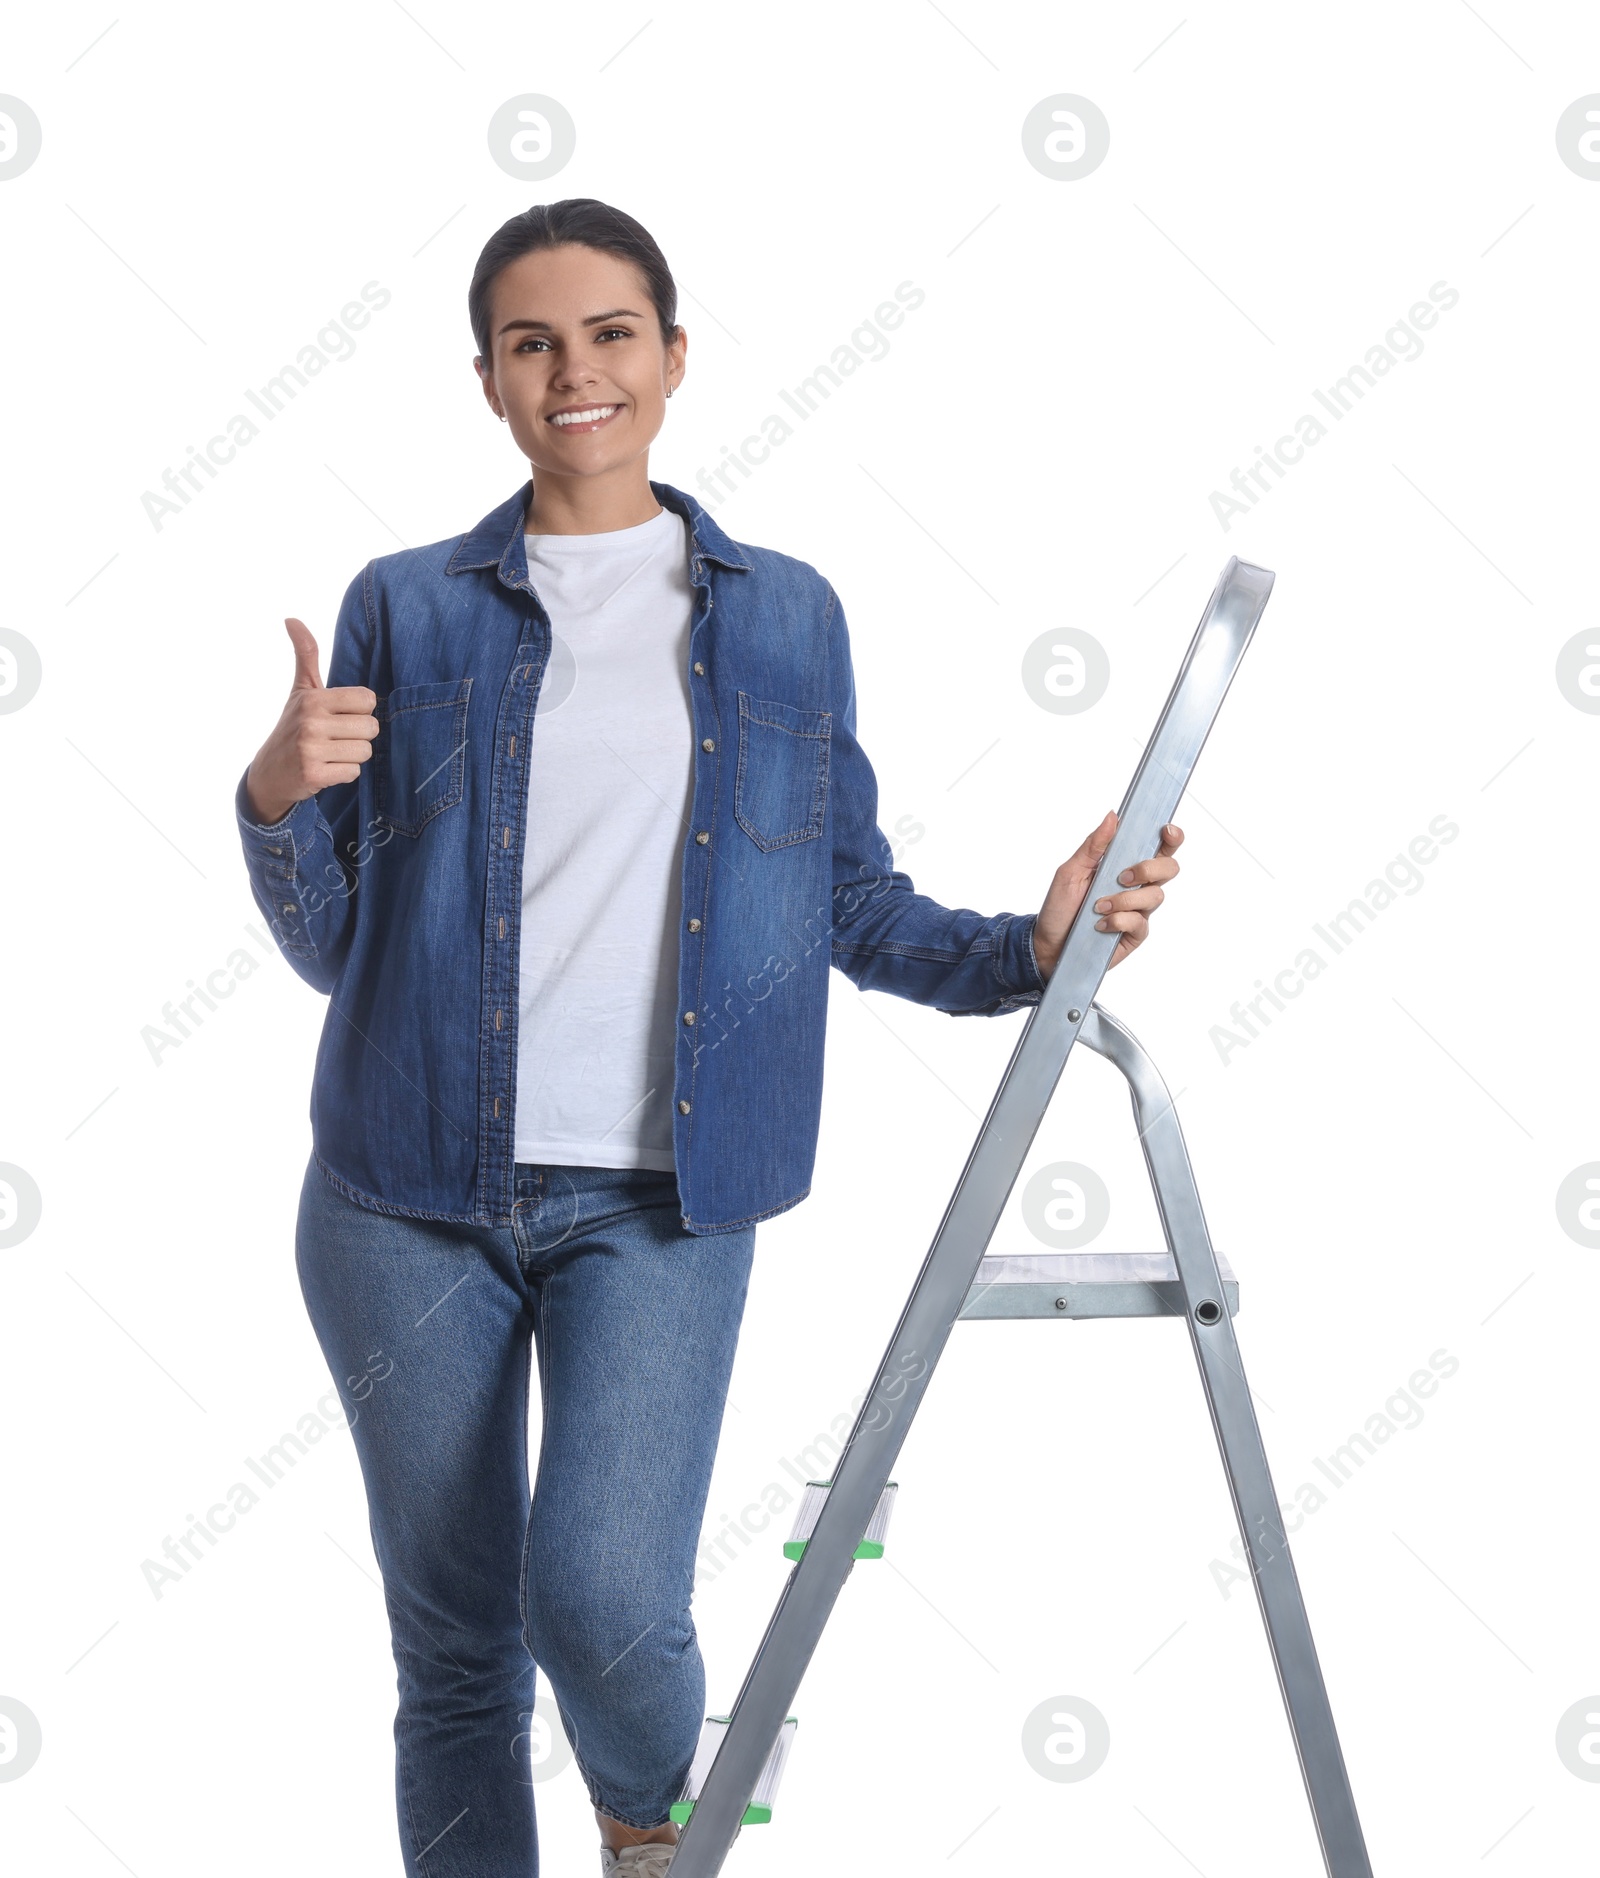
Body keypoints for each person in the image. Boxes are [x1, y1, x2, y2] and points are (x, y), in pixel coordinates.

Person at [235, 197, 1182, 1878]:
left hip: (663, 1201)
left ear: (673, 358)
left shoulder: (786, 617)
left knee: (599, 1594)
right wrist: (273, 800)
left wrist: (1028, 948)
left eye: (609, 334)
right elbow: (333, 951)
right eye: (532, 342)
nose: (573, 371)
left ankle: (646, 1832)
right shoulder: (405, 608)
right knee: (454, 1654)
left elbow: (847, 902)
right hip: (402, 1203)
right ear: (488, 382)